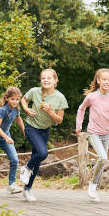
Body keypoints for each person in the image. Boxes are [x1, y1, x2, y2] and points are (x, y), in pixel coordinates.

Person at [76, 68, 109, 201]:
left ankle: (93, 186)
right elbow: (81, 109)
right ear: (98, 81)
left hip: (106, 134)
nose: (106, 82)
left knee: (102, 160)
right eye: (104, 79)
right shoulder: (92, 96)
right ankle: (92, 185)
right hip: (93, 133)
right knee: (103, 158)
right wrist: (79, 126)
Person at [19, 68, 68, 202]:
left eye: (49, 78)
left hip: (45, 130)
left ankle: (27, 189)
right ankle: (26, 168)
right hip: (31, 127)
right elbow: (23, 99)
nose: (45, 80)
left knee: (38, 161)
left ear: (55, 81)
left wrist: (50, 112)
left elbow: (59, 120)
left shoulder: (60, 98)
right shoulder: (35, 91)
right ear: (40, 80)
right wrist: (26, 109)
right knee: (42, 153)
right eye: (43, 78)